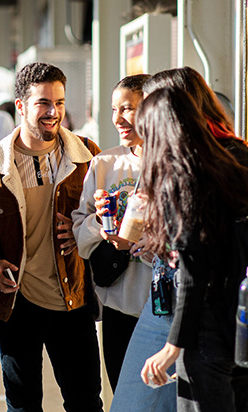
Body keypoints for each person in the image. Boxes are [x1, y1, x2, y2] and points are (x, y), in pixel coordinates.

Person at [113, 67, 248, 412]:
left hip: (201, 320)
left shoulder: (188, 169)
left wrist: (174, 345)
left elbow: (193, 263)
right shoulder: (233, 155)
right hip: (239, 313)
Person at [0, 62, 103, 412]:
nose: (53, 112)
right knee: (23, 404)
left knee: (85, 401)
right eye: (43, 103)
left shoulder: (88, 157)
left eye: (59, 103)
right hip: (17, 303)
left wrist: (83, 232)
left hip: (71, 297)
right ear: (21, 106)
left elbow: (108, 218)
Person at [71, 74, 152, 391]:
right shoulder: (104, 163)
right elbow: (80, 235)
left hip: (162, 309)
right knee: (124, 396)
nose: (118, 119)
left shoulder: (174, 164)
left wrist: (149, 242)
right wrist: (101, 224)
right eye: (114, 109)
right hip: (118, 306)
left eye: (128, 108)